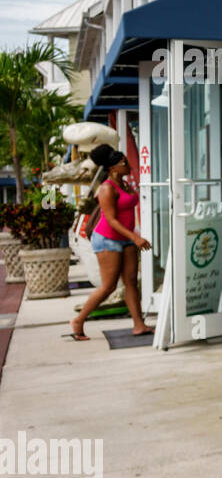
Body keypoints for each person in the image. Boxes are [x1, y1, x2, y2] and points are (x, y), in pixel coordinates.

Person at [68, 144, 153, 341]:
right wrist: (135, 237)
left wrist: (132, 237)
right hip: (108, 239)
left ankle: (139, 325)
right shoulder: (107, 188)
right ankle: (78, 321)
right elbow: (112, 220)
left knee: (131, 282)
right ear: (113, 168)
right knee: (109, 286)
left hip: (126, 238)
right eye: (125, 163)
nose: (129, 165)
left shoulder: (125, 184)